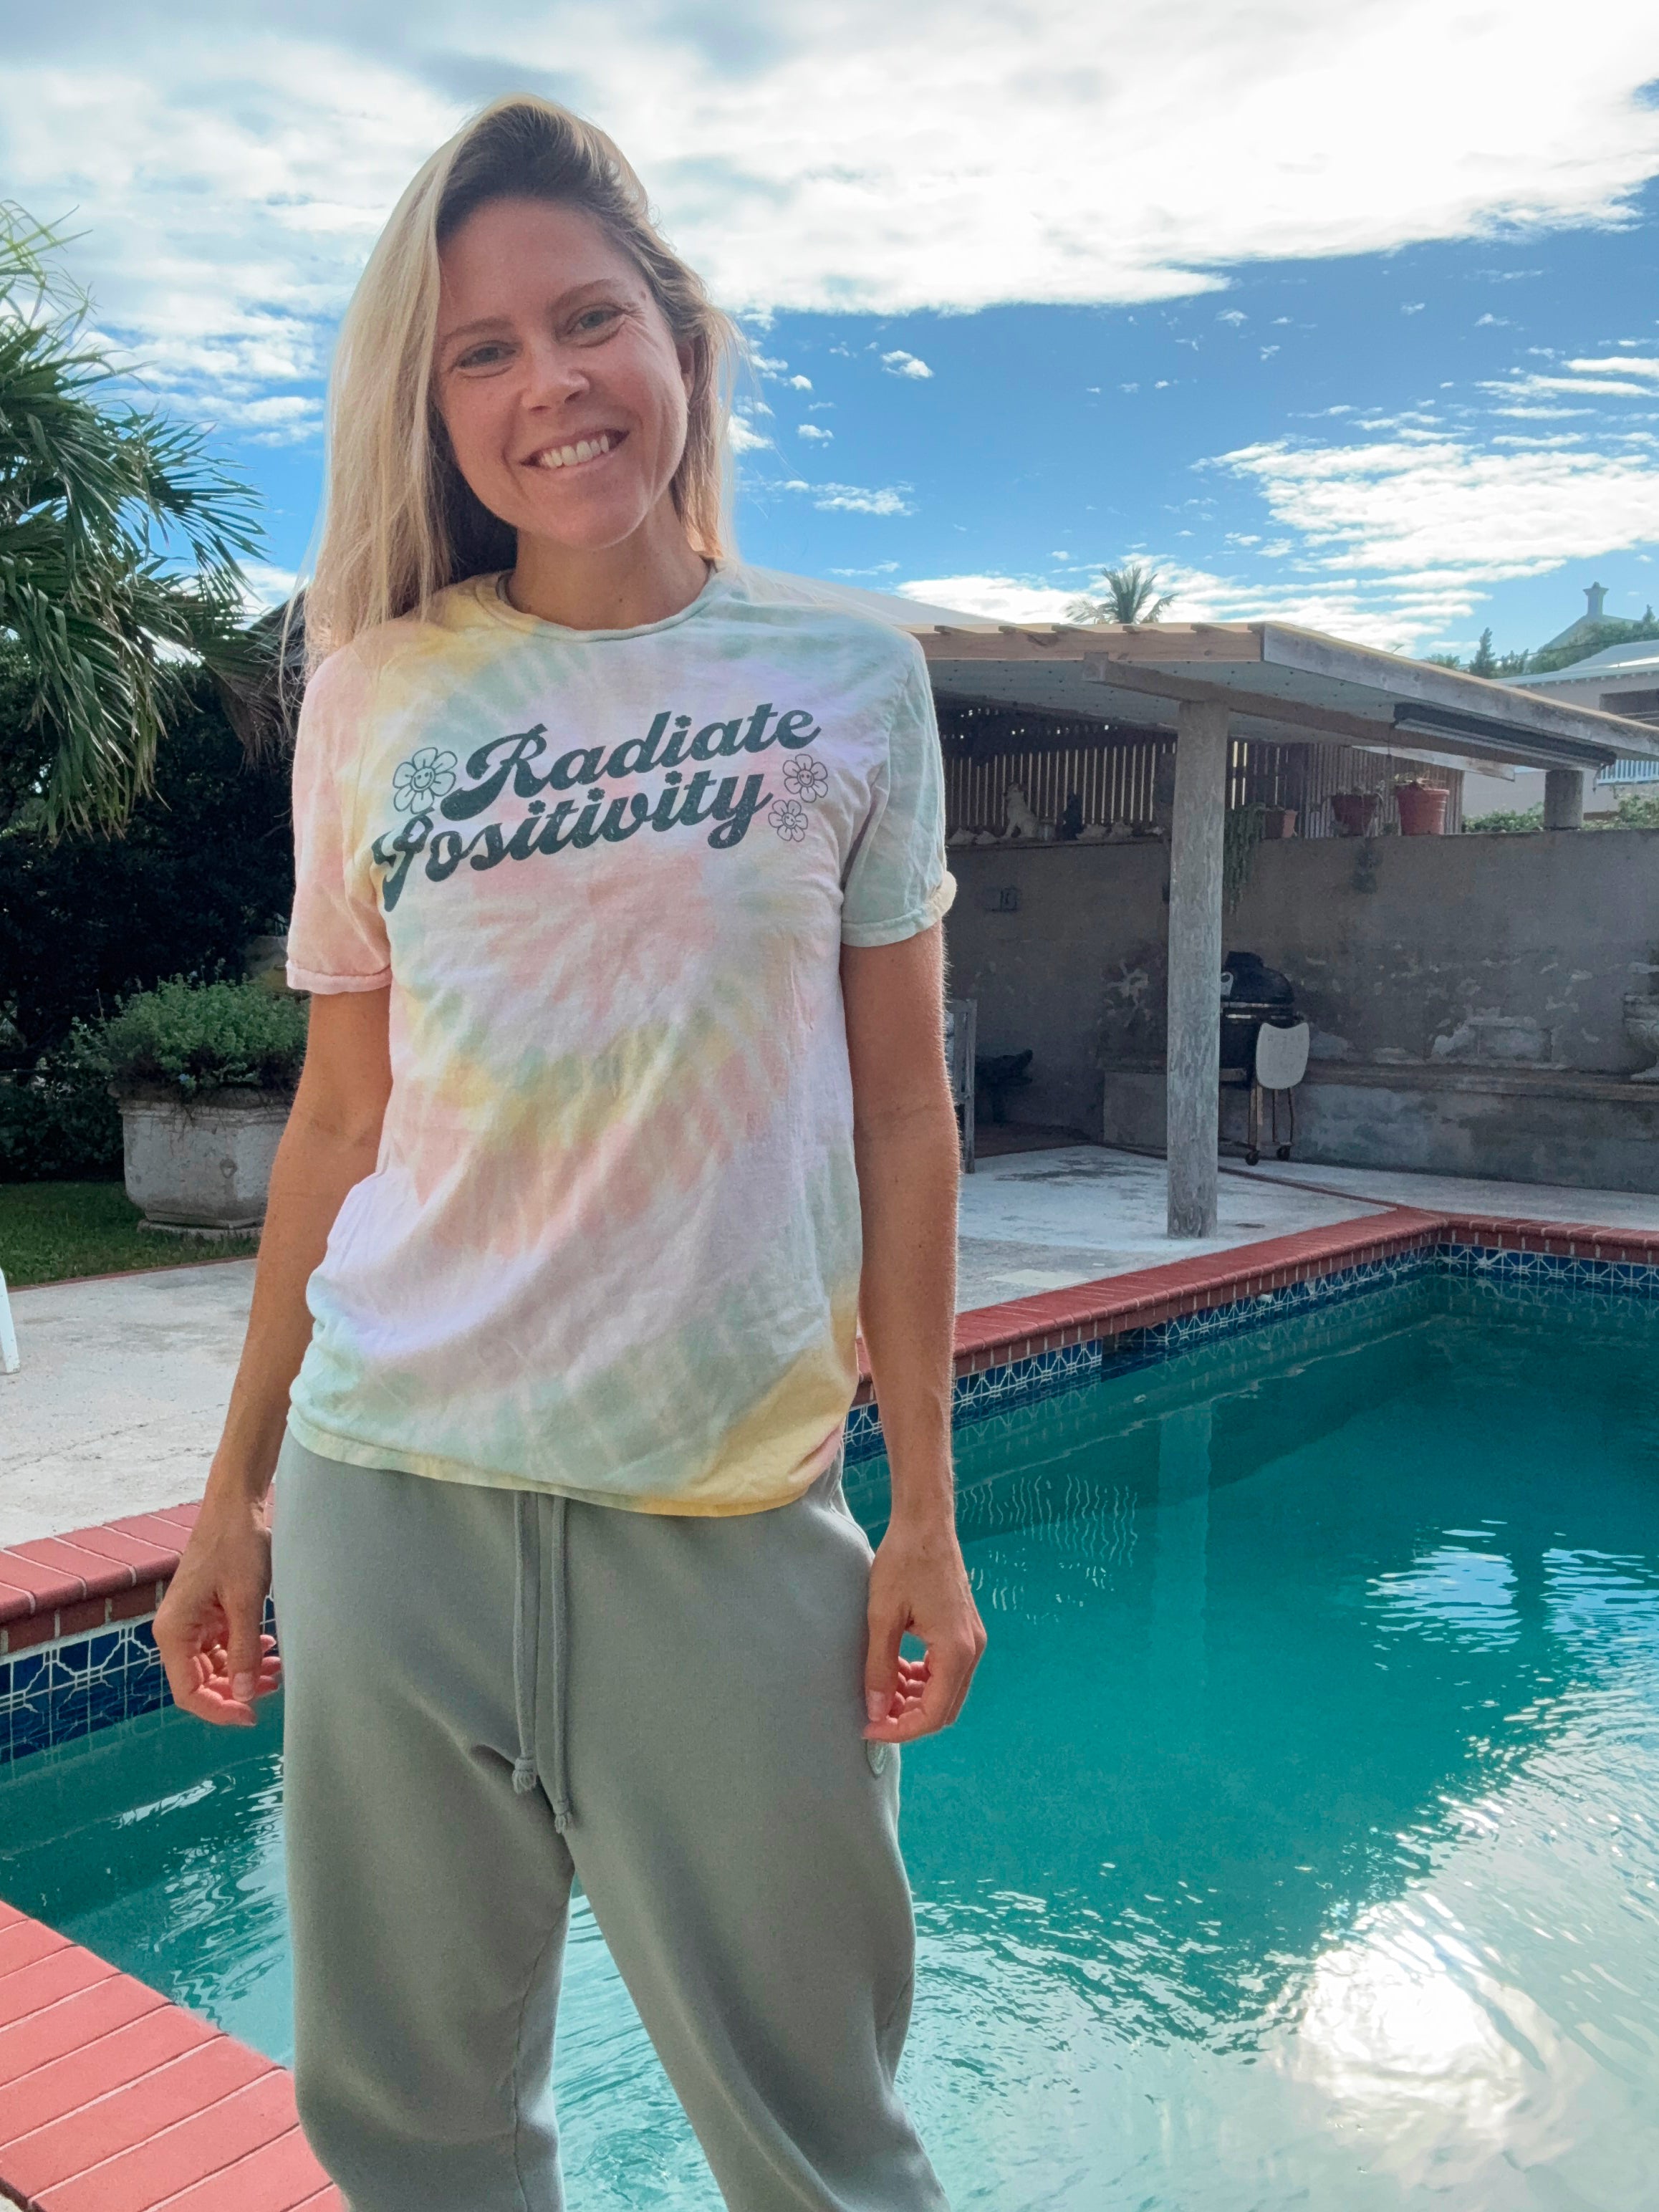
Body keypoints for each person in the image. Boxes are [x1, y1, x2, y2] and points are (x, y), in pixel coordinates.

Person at [153, 92, 985, 2212]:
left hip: (728, 1522)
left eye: (588, 318)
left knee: (821, 2155)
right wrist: (236, 1491)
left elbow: (906, 1113)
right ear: (435, 409)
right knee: (418, 2145)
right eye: (484, 351)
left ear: (679, 338)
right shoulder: (377, 693)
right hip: (391, 1497)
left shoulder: (848, 680)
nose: (551, 385)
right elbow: (343, 1119)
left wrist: (924, 1511)